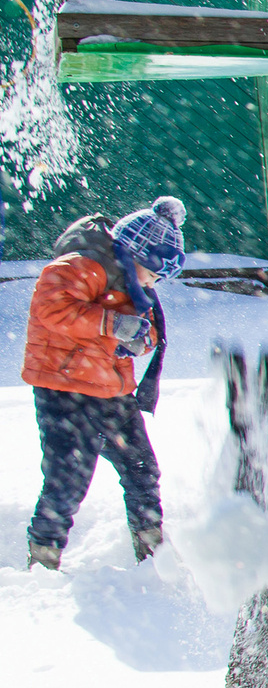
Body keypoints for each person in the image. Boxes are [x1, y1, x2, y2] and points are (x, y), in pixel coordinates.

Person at [22, 197, 185, 568]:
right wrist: (112, 325)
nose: (153, 282)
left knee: (142, 468)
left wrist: (139, 340)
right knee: (67, 479)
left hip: (111, 392)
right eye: (153, 273)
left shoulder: (133, 284)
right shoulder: (82, 265)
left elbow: (148, 330)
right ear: (134, 254)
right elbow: (51, 306)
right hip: (62, 391)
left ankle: (153, 553)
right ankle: (43, 560)